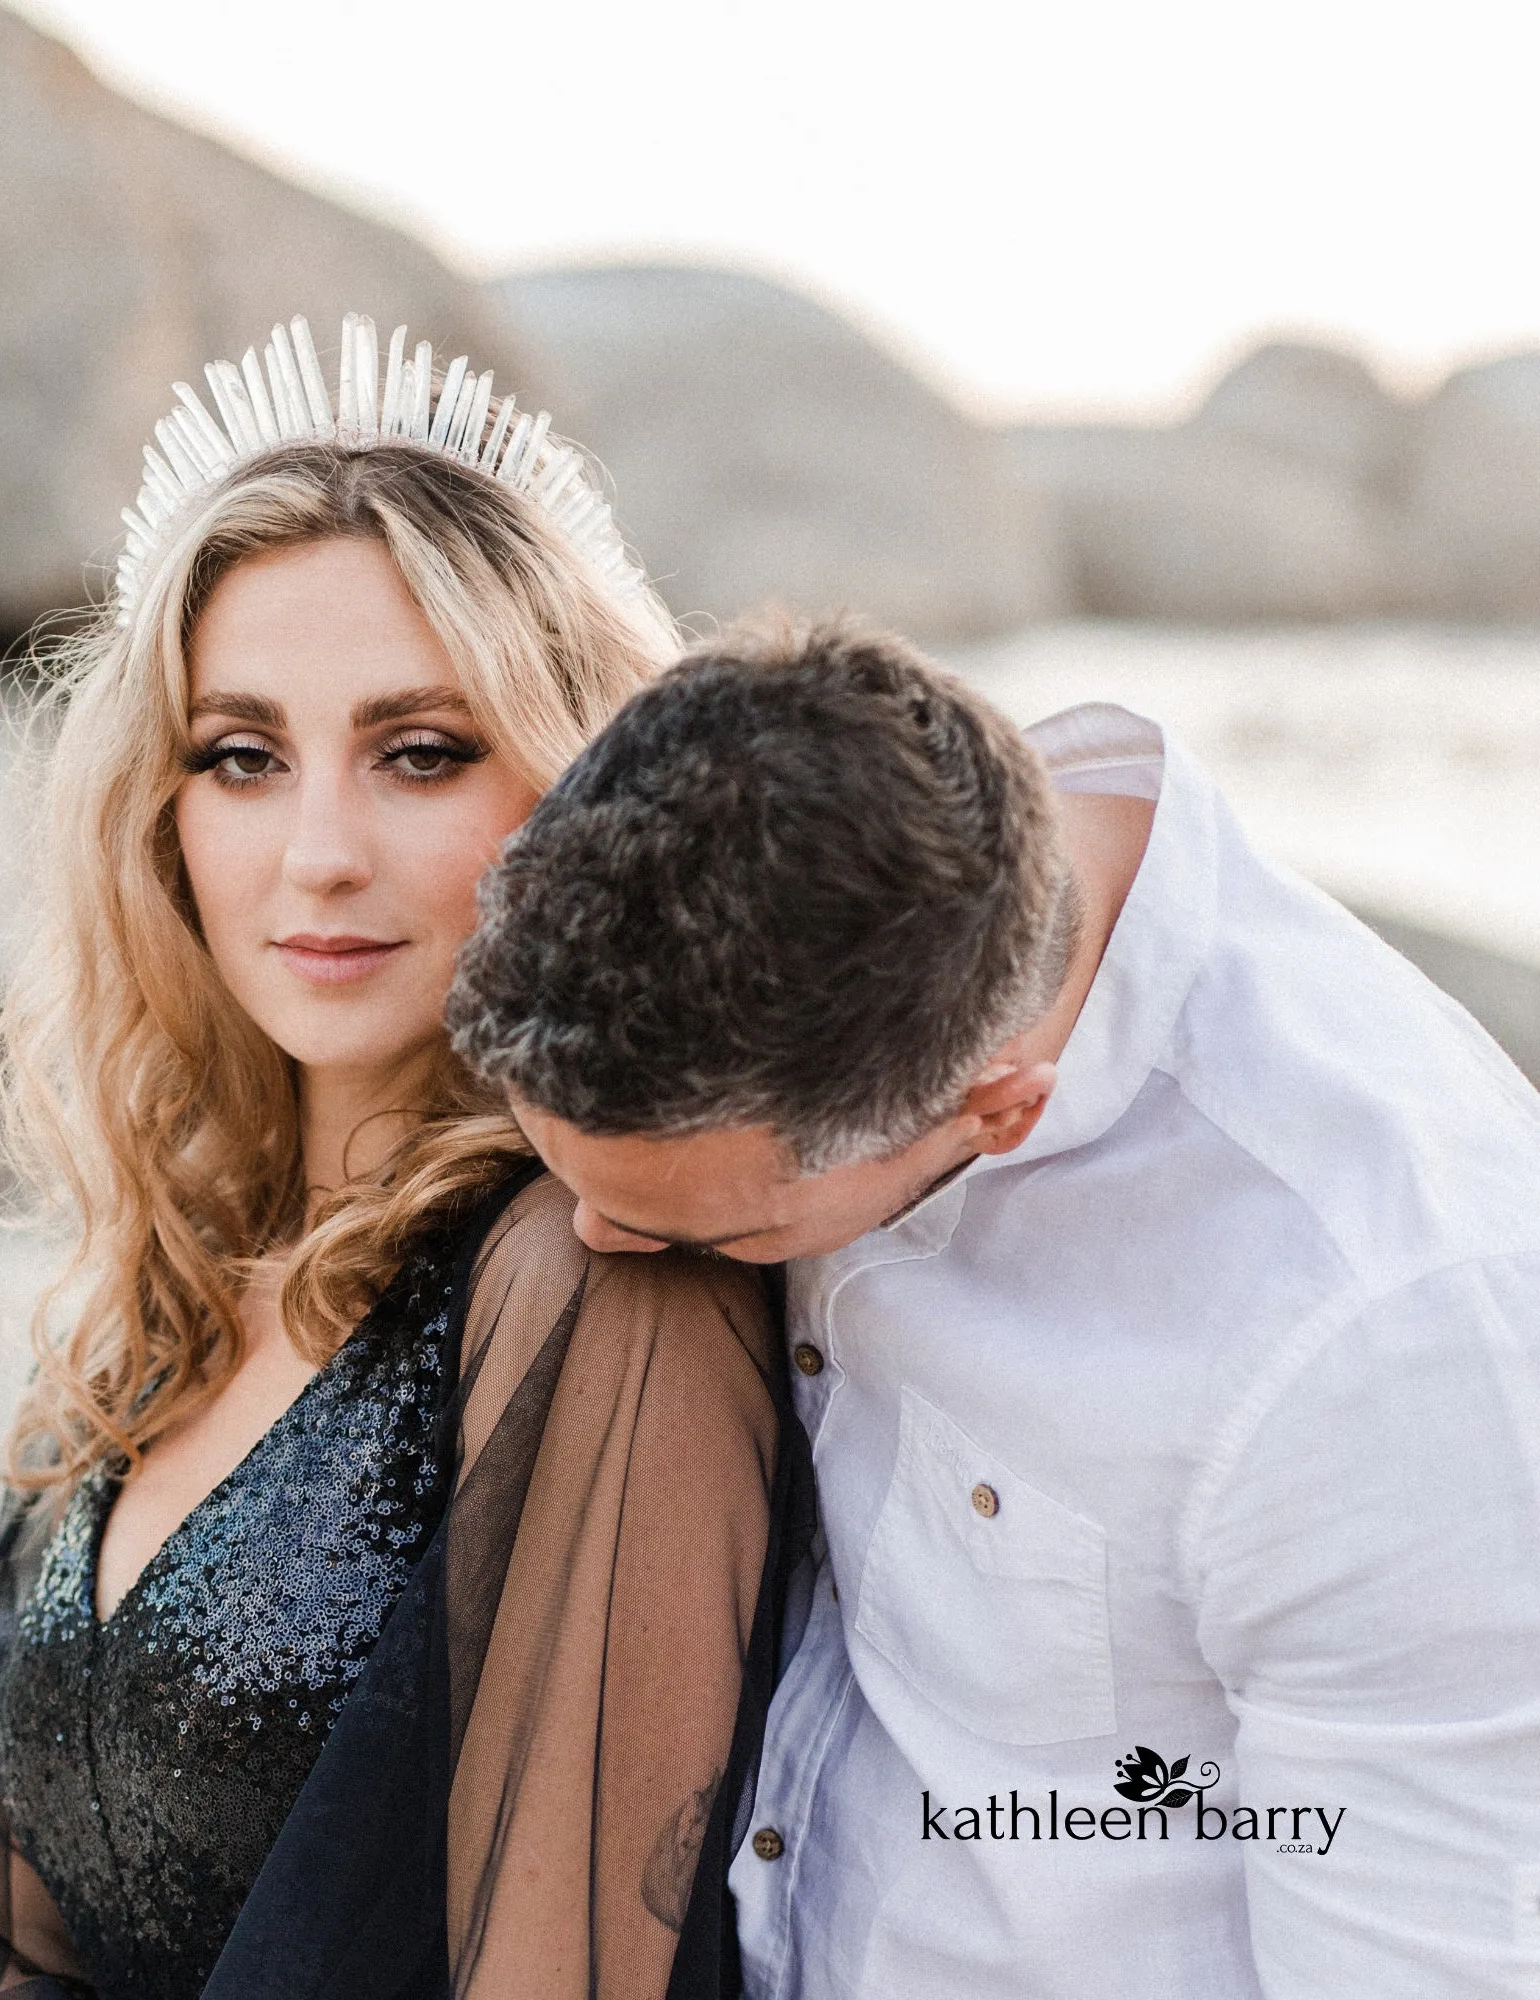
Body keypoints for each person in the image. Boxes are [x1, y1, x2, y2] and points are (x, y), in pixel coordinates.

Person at [0, 317, 803, 2000]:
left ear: (573, 794)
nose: (317, 855)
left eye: (422, 753)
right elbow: (18, 1942)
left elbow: (568, 1973)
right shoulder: (166, 1300)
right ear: (159, 813)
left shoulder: (593, 1286)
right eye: (242, 757)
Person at [447, 618, 1540, 1998]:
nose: (598, 1241)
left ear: (997, 1112)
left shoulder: (1384, 1339)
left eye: (708, 1232)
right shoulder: (851, 858)